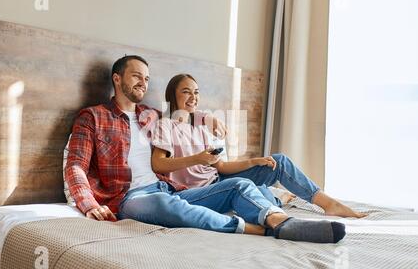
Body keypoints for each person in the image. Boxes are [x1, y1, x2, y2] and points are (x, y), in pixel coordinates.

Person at [65, 56, 347, 244]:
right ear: (117, 79)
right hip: (129, 197)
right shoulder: (93, 117)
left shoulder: (151, 115)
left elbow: (184, 113)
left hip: (167, 189)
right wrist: (89, 204)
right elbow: (75, 166)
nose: (143, 83)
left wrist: (207, 117)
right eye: (136, 76)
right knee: (169, 207)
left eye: (147, 79)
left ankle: (281, 221)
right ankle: (258, 229)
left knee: (239, 185)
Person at [150, 73, 367, 226]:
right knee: (260, 195)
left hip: (220, 179)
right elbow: (158, 163)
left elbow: (222, 166)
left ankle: (328, 203)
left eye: (196, 92)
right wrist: (196, 158)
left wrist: (255, 161)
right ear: (173, 95)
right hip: (197, 191)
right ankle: (278, 201)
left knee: (278, 161)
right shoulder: (165, 125)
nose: (193, 97)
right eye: (186, 92)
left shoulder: (202, 125)